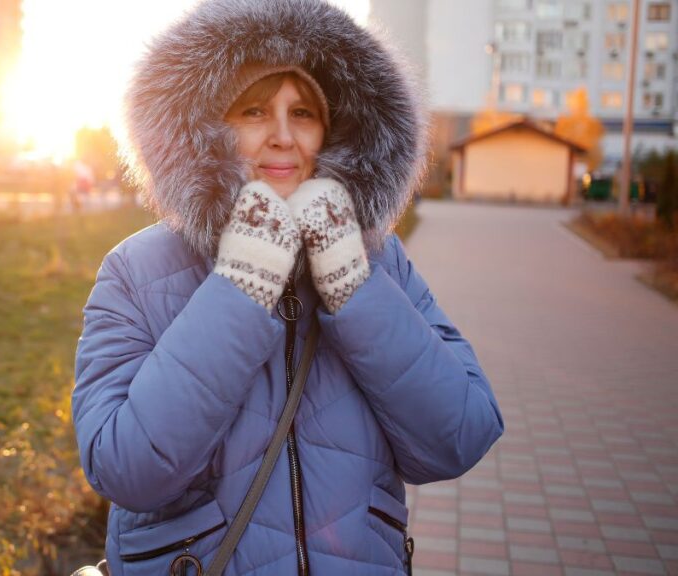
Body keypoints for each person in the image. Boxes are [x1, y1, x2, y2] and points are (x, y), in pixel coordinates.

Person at [72, 1, 504, 574]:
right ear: (208, 129)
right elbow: (126, 468)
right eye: (253, 111)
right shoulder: (138, 270)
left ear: (334, 130)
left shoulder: (381, 262)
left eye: (302, 112)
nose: (282, 137)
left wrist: (355, 287)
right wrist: (241, 286)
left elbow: (460, 435)